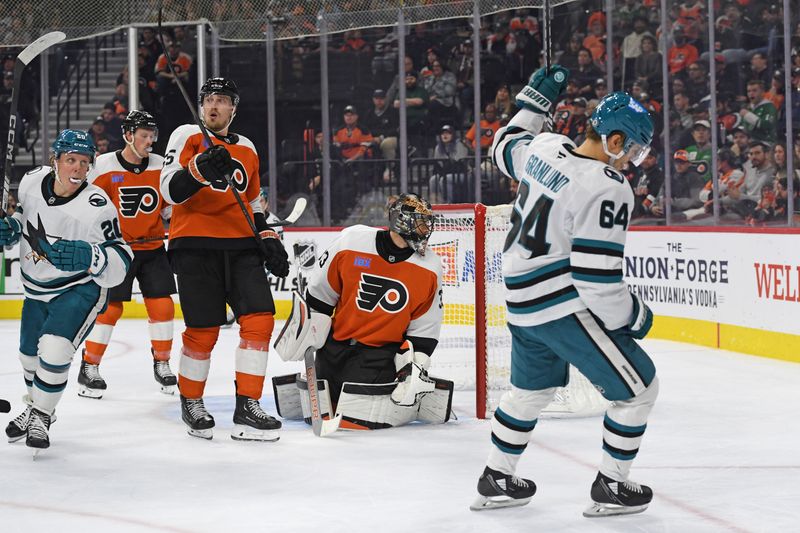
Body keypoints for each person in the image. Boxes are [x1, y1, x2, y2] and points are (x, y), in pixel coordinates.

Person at [471, 66, 659, 517]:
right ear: (614, 140)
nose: (630, 159)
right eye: (630, 148)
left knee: (529, 391)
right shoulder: (608, 187)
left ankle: (497, 477)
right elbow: (596, 279)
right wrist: (633, 317)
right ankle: (612, 485)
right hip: (559, 305)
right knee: (639, 389)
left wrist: (536, 101)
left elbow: (502, 146)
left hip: (519, 302)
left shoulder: (545, 146)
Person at [159, 77, 290, 442]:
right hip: (195, 244)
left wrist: (266, 236)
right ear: (201, 106)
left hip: (242, 246)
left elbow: (251, 201)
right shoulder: (186, 135)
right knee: (203, 331)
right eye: (208, 100)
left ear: (234, 108)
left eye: (221, 100)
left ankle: (247, 404)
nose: (213, 106)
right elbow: (168, 191)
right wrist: (200, 169)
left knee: (261, 320)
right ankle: (192, 400)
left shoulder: (246, 148)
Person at [1, 130, 133, 451]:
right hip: (37, 287)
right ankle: (35, 405)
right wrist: (14, 226)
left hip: (79, 289)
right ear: (55, 161)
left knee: (56, 349)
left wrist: (92, 255)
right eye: (70, 160)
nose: (77, 168)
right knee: (28, 356)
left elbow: (122, 258)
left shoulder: (97, 206)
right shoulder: (33, 181)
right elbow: (23, 214)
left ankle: (42, 414)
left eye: (84, 163)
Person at [286, 193, 444, 429]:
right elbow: (319, 297)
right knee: (323, 407)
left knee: (355, 421)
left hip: (378, 357)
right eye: (421, 222)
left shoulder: (430, 267)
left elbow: (424, 331)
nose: (426, 229)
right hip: (334, 348)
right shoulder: (352, 241)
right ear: (402, 221)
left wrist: (414, 369)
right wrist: (309, 334)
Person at [80, 110, 177, 399]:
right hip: (118, 250)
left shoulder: (162, 166)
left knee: (163, 307)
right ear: (127, 136)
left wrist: (177, 215)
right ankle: (89, 366)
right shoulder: (104, 166)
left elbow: (168, 207)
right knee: (110, 309)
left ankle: (162, 362)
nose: (150, 141)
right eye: (144, 135)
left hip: (153, 248)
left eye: (152, 136)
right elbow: (89, 206)